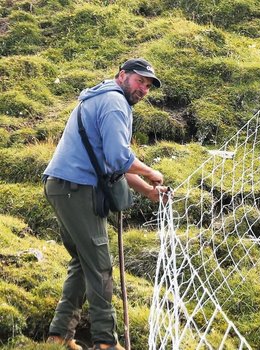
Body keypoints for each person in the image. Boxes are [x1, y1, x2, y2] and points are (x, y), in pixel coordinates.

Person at [43, 58, 168, 350]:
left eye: (148, 86)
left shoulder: (99, 97)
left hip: (61, 185)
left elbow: (111, 163)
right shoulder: (114, 104)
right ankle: (105, 343)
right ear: (122, 75)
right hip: (77, 189)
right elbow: (118, 158)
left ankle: (60, 336)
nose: (144, 90)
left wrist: (148, 191)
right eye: (140, 81)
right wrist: (151, 172)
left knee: (82, 261)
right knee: (100, 266)